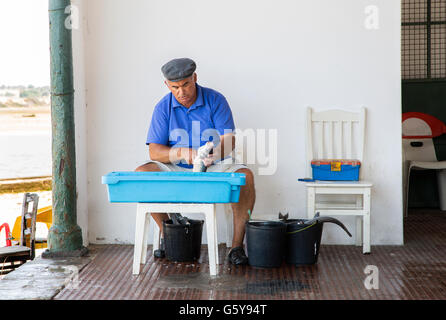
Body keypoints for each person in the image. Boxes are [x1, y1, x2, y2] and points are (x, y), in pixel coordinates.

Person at [135, 58, 255, 265]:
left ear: (195, 78)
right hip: (175, 166)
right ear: (167, 85)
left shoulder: (215, 100)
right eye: (175, 87)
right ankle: (170, 235)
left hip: (213, 163)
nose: (181, 92)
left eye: (186, 85)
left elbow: (229, 139)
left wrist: (214, 153)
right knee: (141, 173)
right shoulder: (163, 107)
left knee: (246, 177)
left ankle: (236, 247)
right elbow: (155, 151)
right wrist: (181, 153)